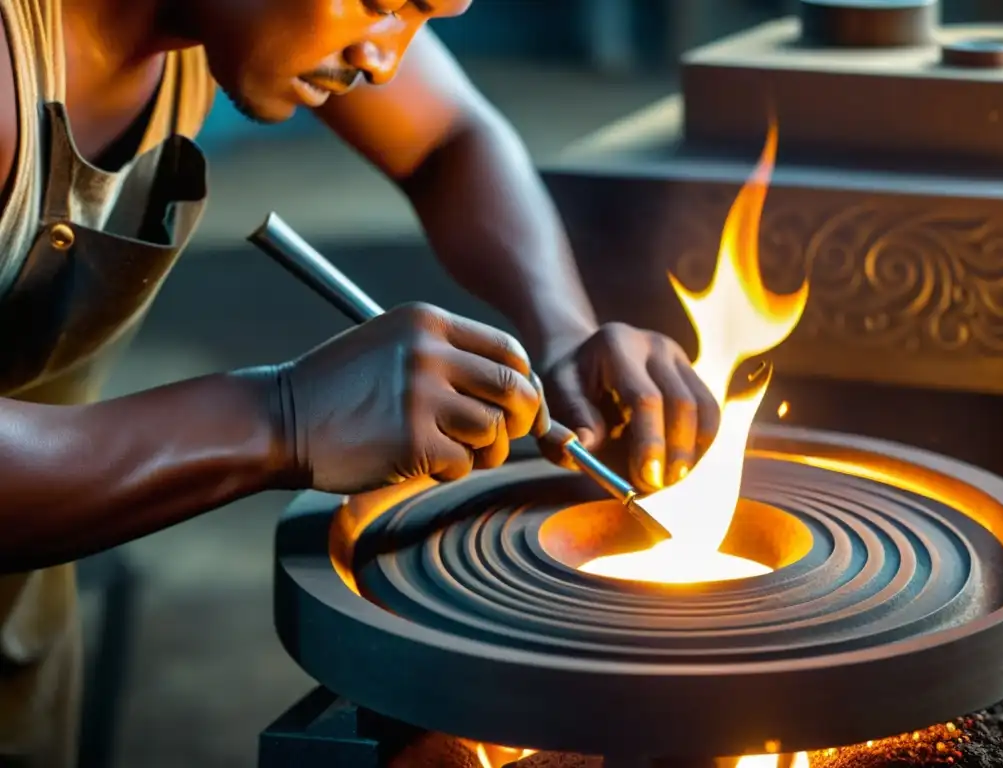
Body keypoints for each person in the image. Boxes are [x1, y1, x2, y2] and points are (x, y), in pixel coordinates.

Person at [0, 0, 720, 764]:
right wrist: (281, 417)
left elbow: (449, 137)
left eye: (426, 14)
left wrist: (564, 328)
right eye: (384, 4)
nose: (383, 59)